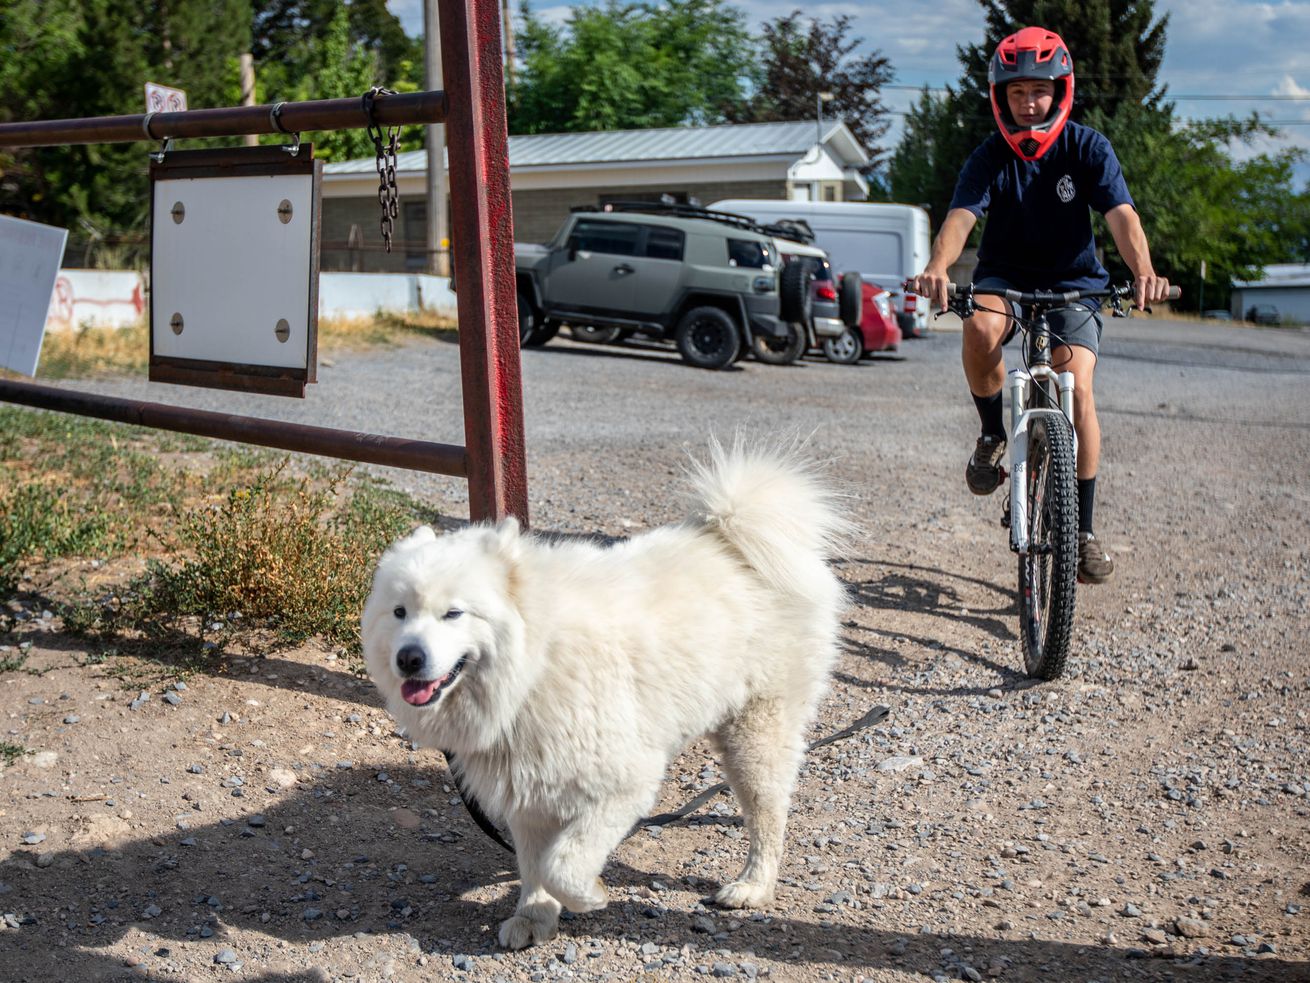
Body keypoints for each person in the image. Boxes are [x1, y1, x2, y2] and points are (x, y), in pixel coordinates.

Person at [908, 25, 1171, 585]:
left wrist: (1143, 273)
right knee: (978, 329)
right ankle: (991, 434)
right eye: (1017, 93)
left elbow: (1122, 216)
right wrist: (936, 267)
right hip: (1006, 279)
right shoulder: (989, 156)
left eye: (1039, 91)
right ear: (1001, 97)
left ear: (1060, 90)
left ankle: (1083, 530)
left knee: (1078, 386)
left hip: (1078, 284)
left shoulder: (1088, 147)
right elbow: (960, 219)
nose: (1029, 103)